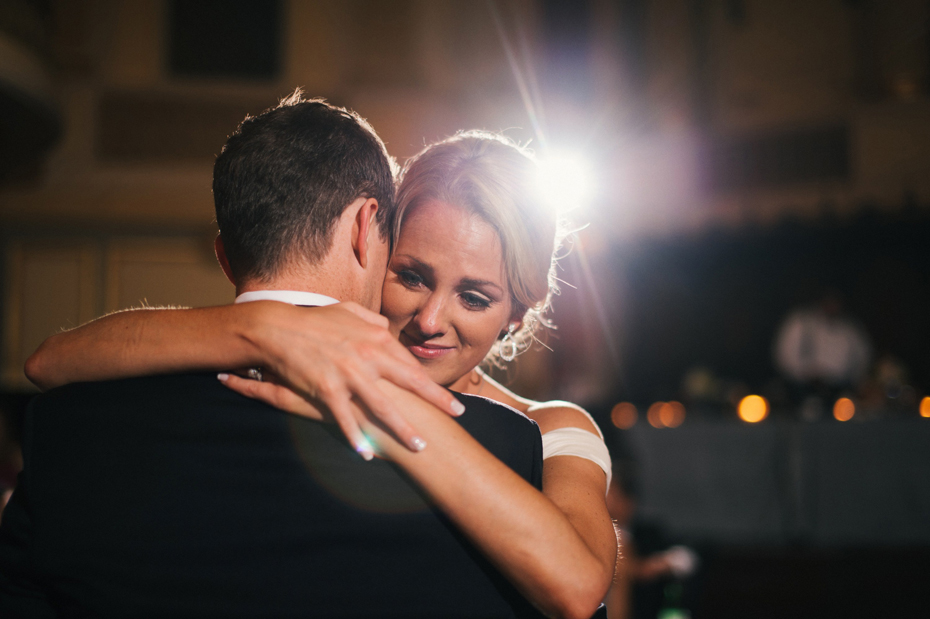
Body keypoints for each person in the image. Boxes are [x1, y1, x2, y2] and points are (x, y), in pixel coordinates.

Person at [1, 94, 611, 618]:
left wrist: (375, 405)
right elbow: (51, 360)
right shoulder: (282, 357)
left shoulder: (542, 430)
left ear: (516, 316)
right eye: (412, 275)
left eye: (474, 297)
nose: (430, 320)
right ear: (373, 243)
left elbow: (580, 585)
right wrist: (266, 327)